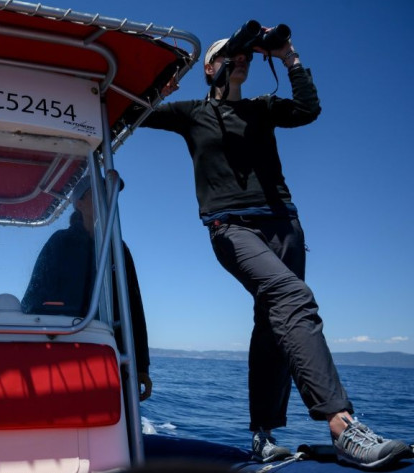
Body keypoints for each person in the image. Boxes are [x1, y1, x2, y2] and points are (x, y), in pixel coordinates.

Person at [131, 31, 410, 468]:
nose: (239, 60)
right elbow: (133, 114)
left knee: (273, 326)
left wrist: (288, 56)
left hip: (285, 226)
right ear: (210, 68)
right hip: (231, 227)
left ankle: (262, 434)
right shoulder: (192, 115)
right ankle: (343, 426)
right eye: (228, 56)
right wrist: (157, 87)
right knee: (293, 296)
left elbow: (307, 109)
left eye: (244, 55)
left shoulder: (262, 108)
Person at [22, 176, 152, 401]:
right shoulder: (59, 243)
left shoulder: (119, 249)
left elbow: (134, 309)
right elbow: (33, 300)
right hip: (63, 353)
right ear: (79, 204)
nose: (106, 198)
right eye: (97, 193)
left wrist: (141, 366)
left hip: (111, 356)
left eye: (109, 194)